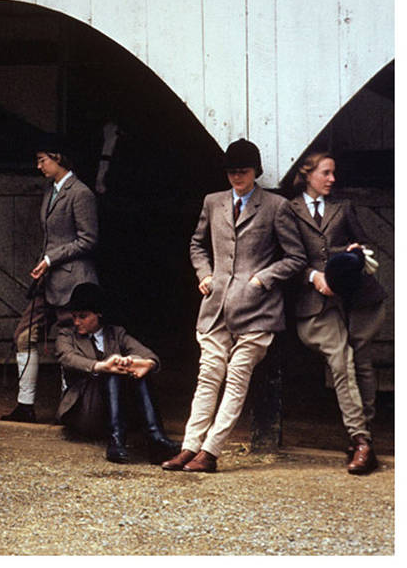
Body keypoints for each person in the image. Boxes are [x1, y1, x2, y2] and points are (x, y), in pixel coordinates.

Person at [162, 138, 304, 473]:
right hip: (215, 306)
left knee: (238, 377)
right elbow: (197, 244)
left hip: (258, 309)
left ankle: (210, 452)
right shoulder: (213, 202)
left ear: (256, 171)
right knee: (209, 375)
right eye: (231, 172)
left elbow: (296, 257)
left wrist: (263, 279)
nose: (236, 177)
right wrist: (205, 273)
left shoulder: (275, 206)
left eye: (243, 171)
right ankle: (189, 447)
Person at [285, 152, 388, 474]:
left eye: (333, 173)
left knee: (362, 362)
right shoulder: (289, 211)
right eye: (326, 173)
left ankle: (362, 439)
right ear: (308, 174)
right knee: (341, 359)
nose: (332, 179)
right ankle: (361, 439)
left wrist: (351, 255)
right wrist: (314, 276)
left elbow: (362, 244)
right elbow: (287, 255)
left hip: (354, 299)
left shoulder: (343, 208)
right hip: (316, 304)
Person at [5, 137, 99, 423]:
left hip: (74, 282)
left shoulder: (80, 193)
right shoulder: (52, 191)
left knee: (69, 343)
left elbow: (88, 240)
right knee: (24, 336)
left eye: (42, 159)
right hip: (49, 281)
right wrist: (45, 263)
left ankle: (70, 410)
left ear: (58, 158)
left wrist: (51, 259)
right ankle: (25, 405)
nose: (38, 166)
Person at [55, 283, 179, 464]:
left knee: (136, 370)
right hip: (85, 409)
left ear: (99, 314)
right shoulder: (67, 335)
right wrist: (102, 366)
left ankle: (156, 438)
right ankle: (116, 439)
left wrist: (145, 363)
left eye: (83, 316)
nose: (76, 322)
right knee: (113, 372)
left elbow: (149, 355)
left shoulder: (116, 333)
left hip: (118, 410)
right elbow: (67, 358)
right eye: (74, 316)